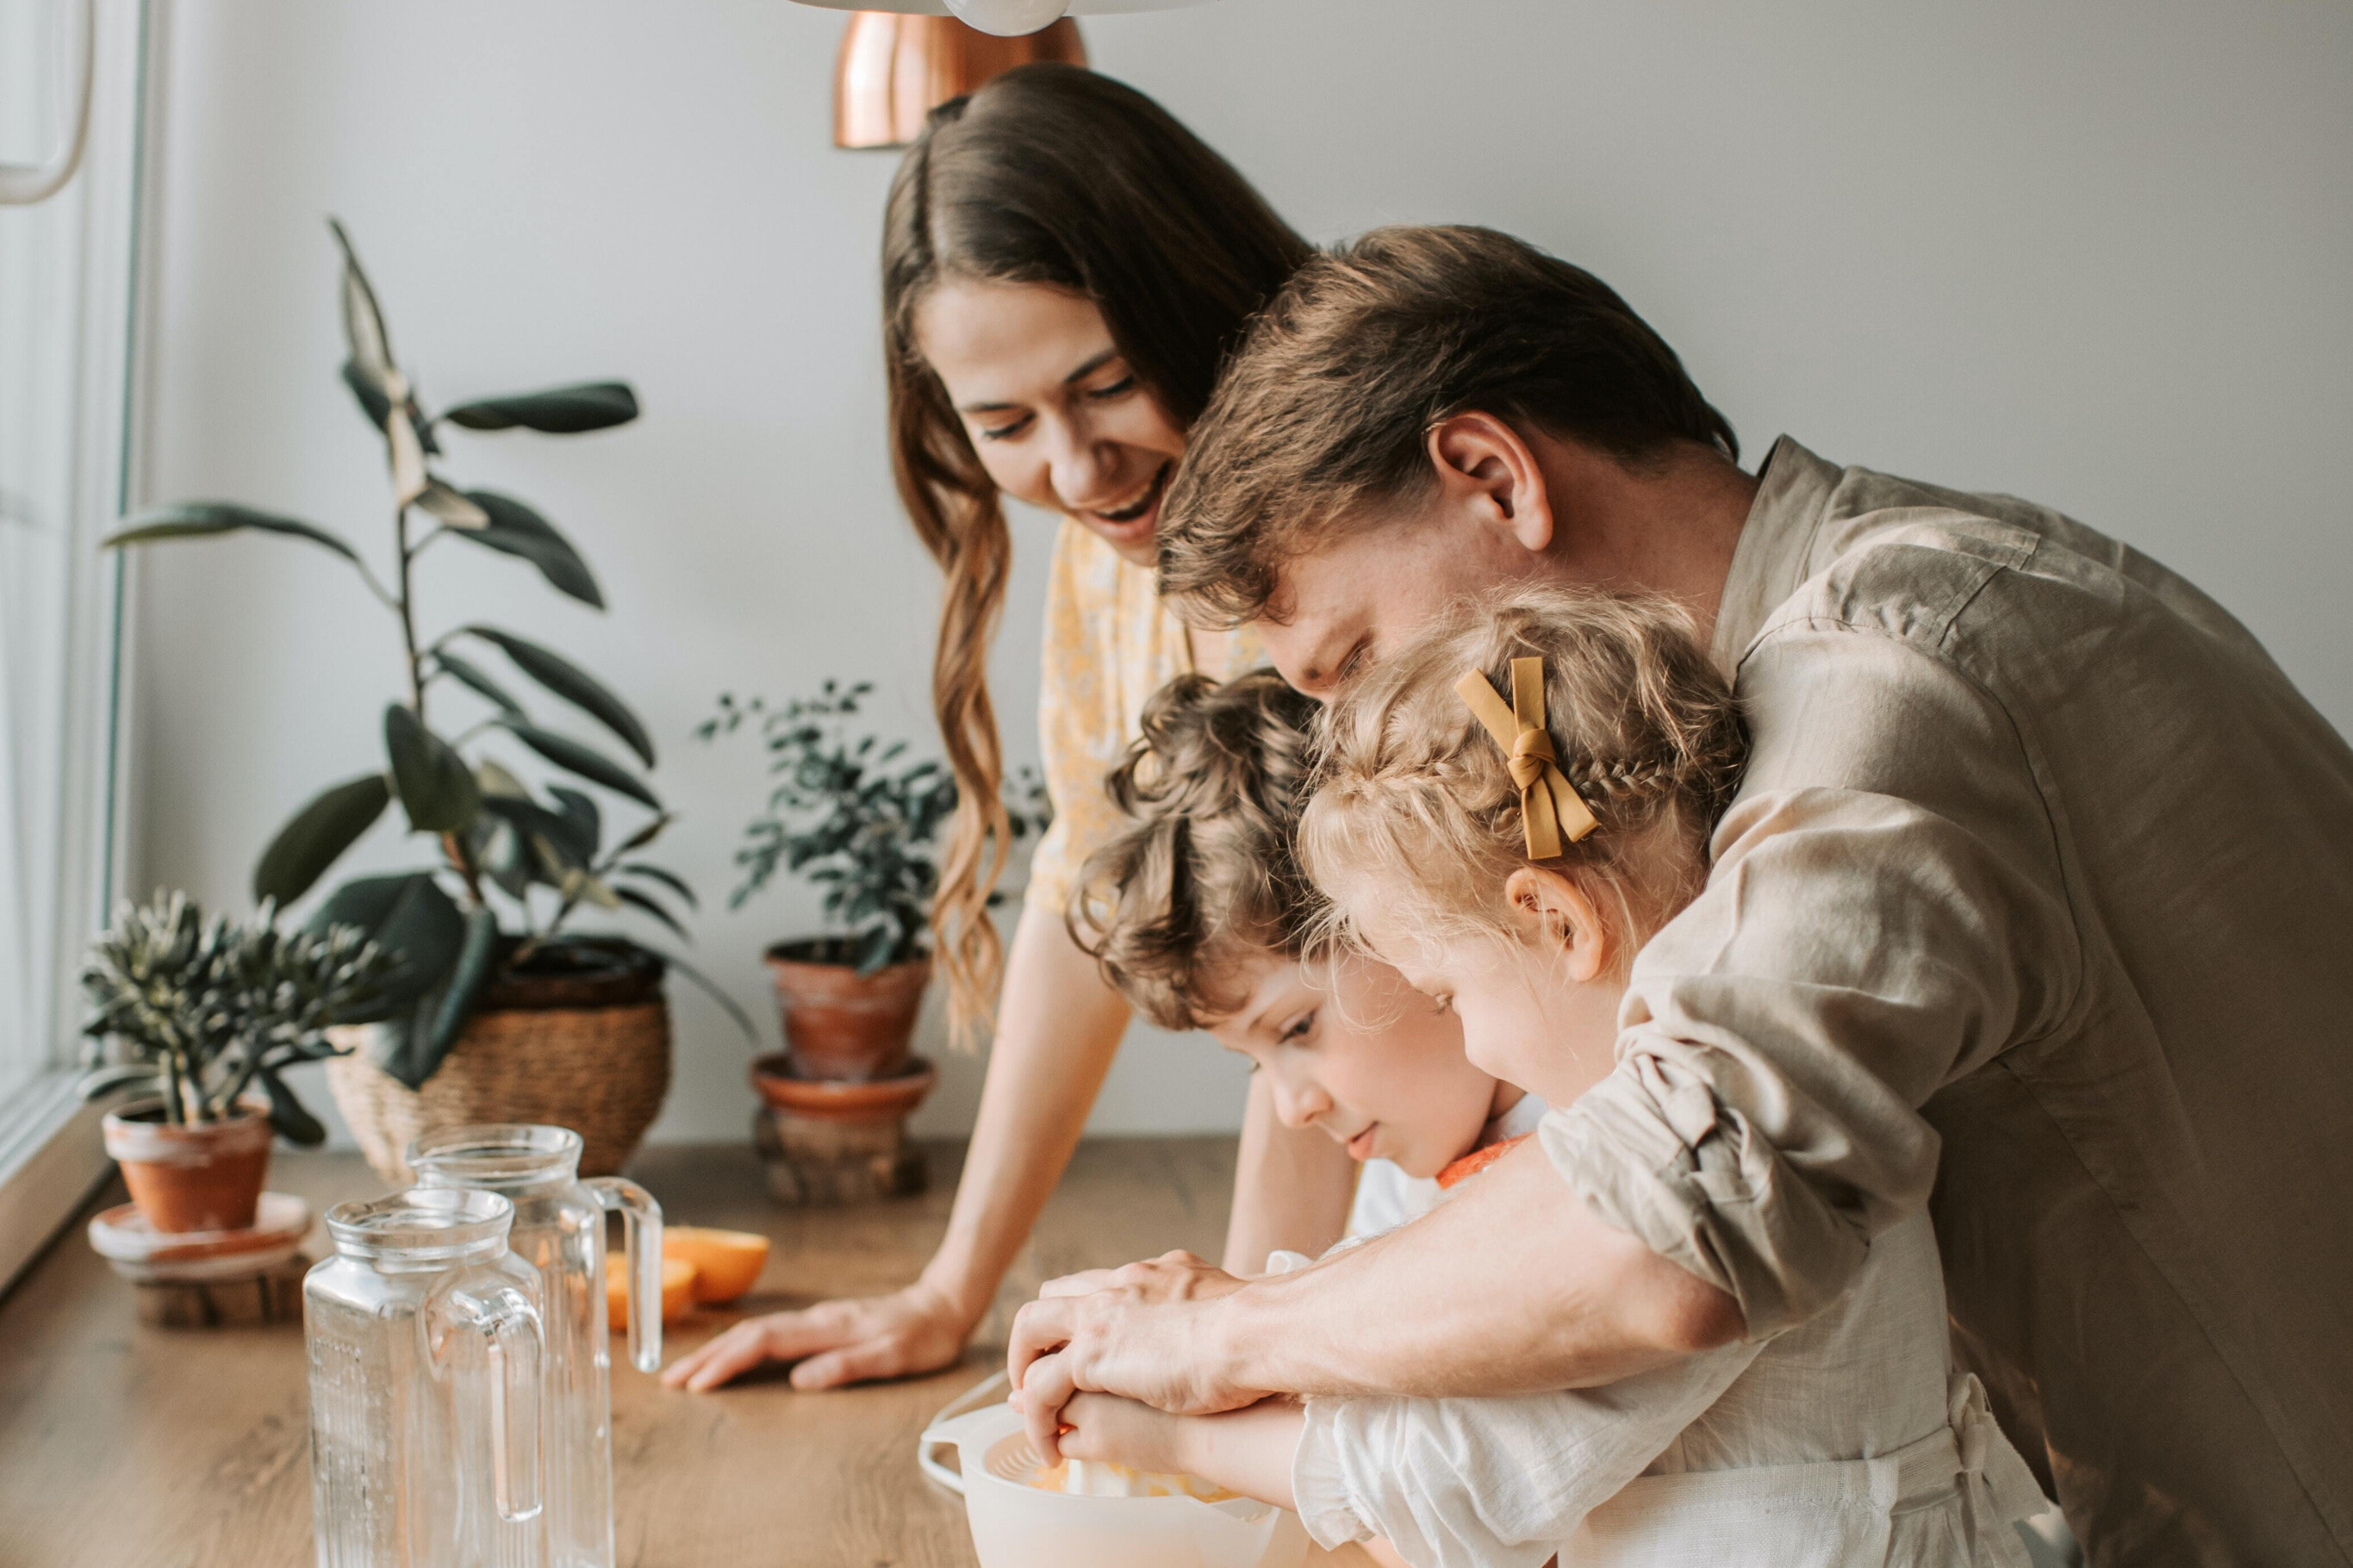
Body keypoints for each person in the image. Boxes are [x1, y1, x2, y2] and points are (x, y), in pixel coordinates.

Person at [1007, 226, 2353, 1565]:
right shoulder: (1818, 658)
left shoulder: (1890, 677)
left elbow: (1671, 1227)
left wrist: (1213, 1336)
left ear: (1492, 478)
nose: (1353, 741)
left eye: (1352, 662)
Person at [1051, 584, 2044, 1567]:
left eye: (1446, 992)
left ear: (1556, 922)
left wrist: (1178, 1437)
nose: (1469, 1038)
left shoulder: (1679, 1152)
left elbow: (1464, 1480)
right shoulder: (1537, 1136)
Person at [660, 65, 1355, 1395]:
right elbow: (1087, 885)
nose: (1078, 470)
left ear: (1196, 295)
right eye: (1004, 424)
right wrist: (948, 1290)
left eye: (1106, 383)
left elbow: (1343, 972)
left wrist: (1252, 1348)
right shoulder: (1119, 541)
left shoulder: (1346, 520)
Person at [1067, 667, 1544, 1248]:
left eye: (1295, 1028)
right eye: (1254, 1061)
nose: (1293, 1111)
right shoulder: (1398, 1186)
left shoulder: (1609, 1117)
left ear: (1415, 905)